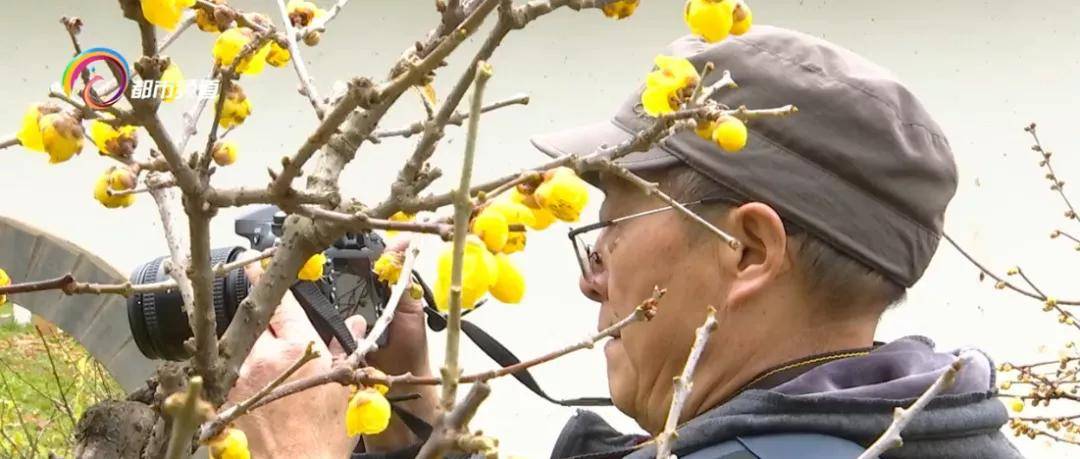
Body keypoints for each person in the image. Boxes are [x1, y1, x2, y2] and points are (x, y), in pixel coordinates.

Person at [233, 26, 1023, 458]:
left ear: (747, 249)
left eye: (610, 228)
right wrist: (415, 417)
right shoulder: (927, 431)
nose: (590, 279)